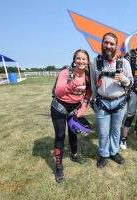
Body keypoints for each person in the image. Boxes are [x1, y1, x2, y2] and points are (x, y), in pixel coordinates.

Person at [90, 32, 133, 169]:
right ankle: (103, 154)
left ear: (116, 46)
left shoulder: (124, 63)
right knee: (103, 132)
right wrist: (94, 100)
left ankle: (114, 152)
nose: (108, 46)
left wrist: (123, 79)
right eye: (106, 43)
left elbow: (131, 83)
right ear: (102, 43)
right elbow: (92, 83)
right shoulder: (94, 63)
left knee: (115, 130)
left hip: (119, 102)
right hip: (102, 102)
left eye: (112, 44)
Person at [51, 49, 91, 183]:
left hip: (75, 108)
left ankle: (74, 155)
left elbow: (89, 92)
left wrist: (84, 107)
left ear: (87, 61)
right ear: (74, 60)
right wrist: (73, 84)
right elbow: (58, 92)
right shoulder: (66, 72)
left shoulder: (88, 74)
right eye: (78, 58)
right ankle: (58, 166)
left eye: (84, 59)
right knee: (60, 135)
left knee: (73, 133)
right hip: (59, 107)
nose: (81, 61)